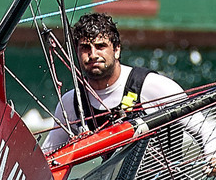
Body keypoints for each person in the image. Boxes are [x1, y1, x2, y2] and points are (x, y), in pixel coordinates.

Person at [42, 13, 185, 156]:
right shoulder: (71, 103)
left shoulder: (151, 85)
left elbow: (202, 126)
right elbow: (49, 157)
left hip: (165, 176)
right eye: (85, 48)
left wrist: (209, 155)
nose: (93, 55)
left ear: (117, 50)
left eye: (100, 46)